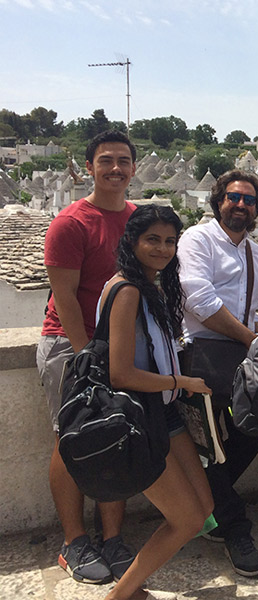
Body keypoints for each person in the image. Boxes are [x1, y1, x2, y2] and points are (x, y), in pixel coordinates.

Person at [98, 205, 214, 600]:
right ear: (132, 241)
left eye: (170, 241)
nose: (163, 249)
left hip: (163, 410)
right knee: (185, 519)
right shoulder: (128, 291)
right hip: (140, 414)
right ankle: (122, 595)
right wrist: (182, 381)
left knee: (203, 507)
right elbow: (121, 373)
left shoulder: (151, 287)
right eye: (153, 239)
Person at [37, 130, 137, 585]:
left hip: (118, 345)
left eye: (123, 161)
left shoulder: (138, 220)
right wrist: (85, 357)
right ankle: (74, 541)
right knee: (71, 436)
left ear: (133, 167)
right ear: (90, 167)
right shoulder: (71, 222)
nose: (115, 168)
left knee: (113, 435)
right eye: (106, 161)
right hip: (71, 342)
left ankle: (112, 537)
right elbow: (66, 297)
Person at [177, 169, 258, 577]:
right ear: (218, 202)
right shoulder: (197, 240)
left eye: (249, 200)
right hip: (201, 354)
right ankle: (234, 527)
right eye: (233, 197)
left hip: (238, 354)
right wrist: (251, 339)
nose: (241, 205)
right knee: (210, 442)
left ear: (256, 209)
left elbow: (249, 312)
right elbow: (199, 300)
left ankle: (207, 501)